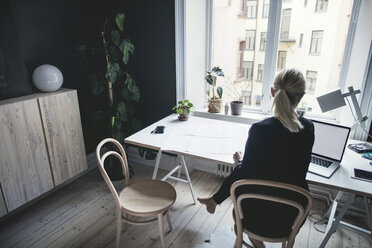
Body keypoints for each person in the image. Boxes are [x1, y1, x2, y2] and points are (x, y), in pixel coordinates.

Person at [198, 68, 314, 248]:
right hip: (291, 218)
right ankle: (214, 202)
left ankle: (257, 243)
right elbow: (293, 170)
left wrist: (240, 162)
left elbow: (245, 173)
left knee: (239, 209)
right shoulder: (308, 129)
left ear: (272, 93)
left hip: (255, 217)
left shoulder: (260, 129)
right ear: (301, 96)